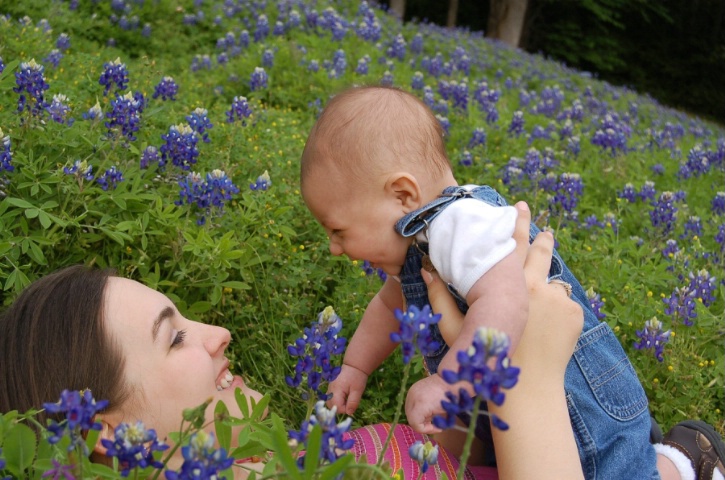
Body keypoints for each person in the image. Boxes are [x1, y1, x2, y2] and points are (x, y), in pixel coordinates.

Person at [299, 85, 725, 480]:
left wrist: (449, 382)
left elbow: (504, 302)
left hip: (581, 405)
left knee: (613, 472)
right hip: (510, 405)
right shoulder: (421, 242)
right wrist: (356, 365)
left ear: (404, 196)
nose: (335, 247)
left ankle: (685, 462)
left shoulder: (459, 224)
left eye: (338, 230)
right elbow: (390, 304)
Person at [0, 203, 574, 479]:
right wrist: (531, 380)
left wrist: (460, 385)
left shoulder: (287, 456)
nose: (220, 334)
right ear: (102, 433)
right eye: (174, 338)